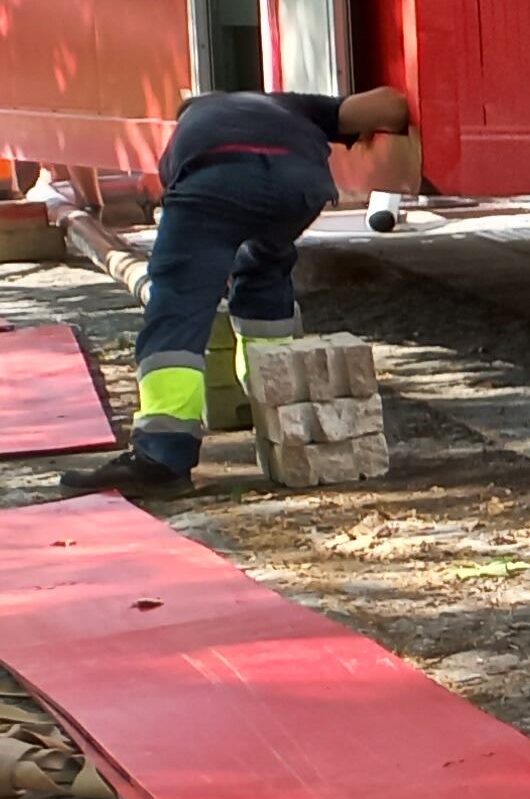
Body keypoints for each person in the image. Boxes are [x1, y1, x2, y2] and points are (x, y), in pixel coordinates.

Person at [59, 84, 415, 502]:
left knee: (179, 302)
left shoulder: (189, 129)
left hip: (216, 181)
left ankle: (162, 455)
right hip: (300, 186)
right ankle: (277, 409)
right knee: (265, 266)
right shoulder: (286, 104)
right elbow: (390, 106)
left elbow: (193, 212)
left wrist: (205, 266)